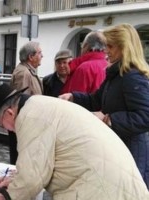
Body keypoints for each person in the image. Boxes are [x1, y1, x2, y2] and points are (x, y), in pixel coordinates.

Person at [0, 84, 149, 200]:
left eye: (2, 124)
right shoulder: (40, 105)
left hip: (101, 188)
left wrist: (7, 196)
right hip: (116, 183)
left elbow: (32, 175)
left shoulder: (30, 116)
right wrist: (16, 181)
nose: (4, 130)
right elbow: (38, 165)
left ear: (9, 113)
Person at [59, 23, 149, 188]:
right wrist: (73, 97)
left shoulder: (132, 76)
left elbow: (145, 117)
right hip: (119, 149)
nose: (105, 50)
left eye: (110, 46)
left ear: (124, 47)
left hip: (131, 153)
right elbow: (96, 100)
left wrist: (108, 119)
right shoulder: (116, 74)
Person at [8, 41, 43, 165]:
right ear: (31, 57)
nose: (42, 56)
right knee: (20, 160)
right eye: (39, 53)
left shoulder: (27, 71)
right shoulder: (23, 72)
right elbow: (20, 101)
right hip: (23, 126)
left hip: (27, 124)